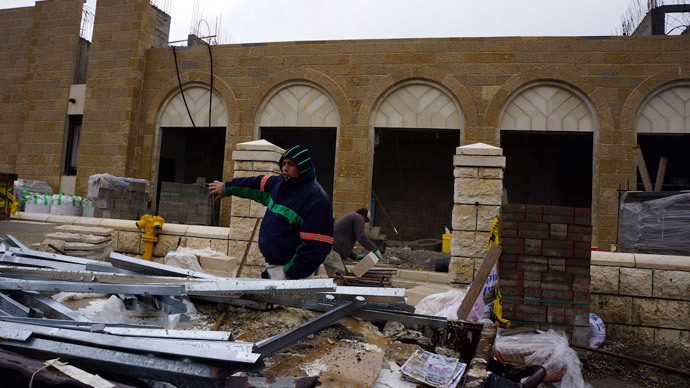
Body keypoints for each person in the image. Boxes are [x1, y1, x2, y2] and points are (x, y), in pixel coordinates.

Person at [209, 145, 333, 279]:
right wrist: (227, 188)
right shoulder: (280, 184)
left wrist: (290, 273)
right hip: (273, 267)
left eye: (291, 164)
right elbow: (254, 185)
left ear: (302, 167)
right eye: (284, 164)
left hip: (291, 274)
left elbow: (317, 246)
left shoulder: (316, 200)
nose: (285, 168)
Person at [322, 208, 381, 277]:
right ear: (363, 216)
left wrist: (355, 256)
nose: (363, 223)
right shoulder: (358, 217)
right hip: (331, 252)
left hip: (332, 251)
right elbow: (361, 237)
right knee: (340, 277)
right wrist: (374, 249)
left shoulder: (351, 220)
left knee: (344, 276)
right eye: (365, 221)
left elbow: (342, 243)